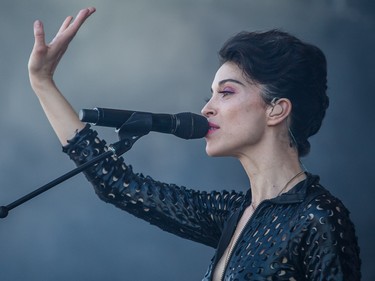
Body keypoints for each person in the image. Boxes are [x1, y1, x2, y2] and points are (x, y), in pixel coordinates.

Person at [28, 7, 361, 281]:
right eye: (210, 95)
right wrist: (43, 83)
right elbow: (118, 184)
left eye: (226, 92)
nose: (206, 109)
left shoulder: (319, 216)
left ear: (276, 109)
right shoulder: (233, 212)